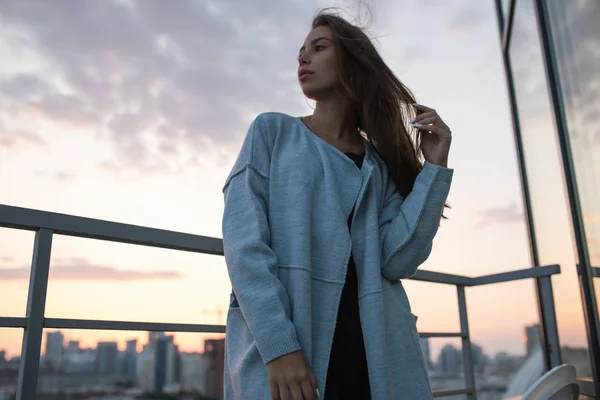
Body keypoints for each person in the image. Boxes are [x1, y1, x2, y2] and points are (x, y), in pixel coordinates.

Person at [221, 10, 453, 400]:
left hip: (375, 350)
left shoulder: (378, 166)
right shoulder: (273, 131)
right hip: (293, 348)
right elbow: (244, 244)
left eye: (319, 47)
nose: (303, 58)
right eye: (301, 51)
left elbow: (398, 260)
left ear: (351, 61)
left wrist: (434, 168)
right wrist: (280, 347)